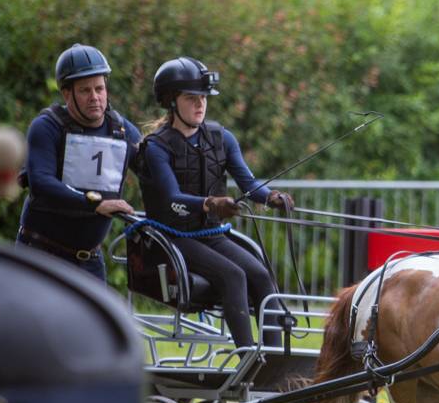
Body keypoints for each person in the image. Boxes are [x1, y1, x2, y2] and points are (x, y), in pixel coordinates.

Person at [139, 56, 294, 349]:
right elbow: (172, 198)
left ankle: (274, 361)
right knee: (232, 275)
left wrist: (271, 197)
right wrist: (210, 204)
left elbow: (249, 184)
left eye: (204, 98)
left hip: (211, 234)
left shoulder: (222, 138)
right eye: (191, 98)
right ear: (172, 101)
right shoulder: (156, 148)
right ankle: (248, 357)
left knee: (261, 274)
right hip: (174, 237)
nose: (200, 104)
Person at [16, 44, 141, 280]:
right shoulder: (46, 127)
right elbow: (41, 184)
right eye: (85, 91)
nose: (95, 97)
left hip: (90, 261)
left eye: (100, 89)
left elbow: (154, 167)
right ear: (66, 93)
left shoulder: (121, 129)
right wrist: (95, 203)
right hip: (40, 254)